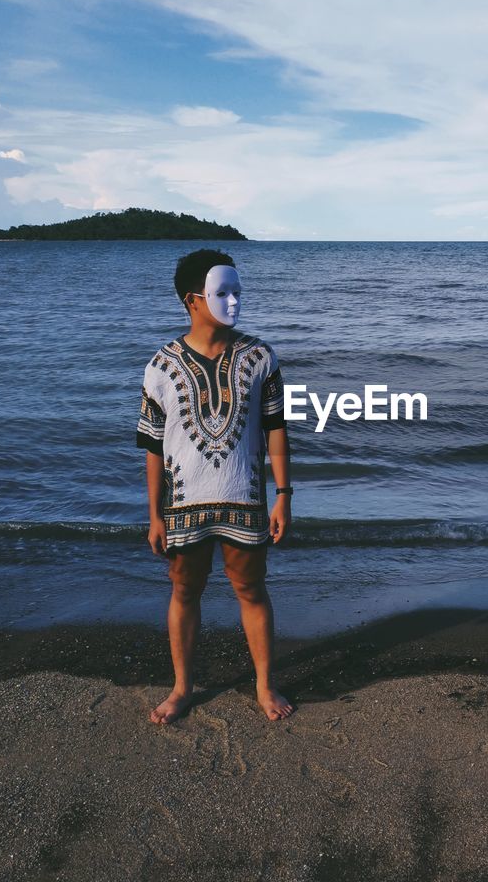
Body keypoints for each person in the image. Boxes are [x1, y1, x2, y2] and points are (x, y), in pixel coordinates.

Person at [135, 248, 295, 723]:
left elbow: (276, 430)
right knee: (184, 590)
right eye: (221, 293)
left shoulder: (260, 357)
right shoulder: (161, 366)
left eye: (238, 292)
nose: (234, 302)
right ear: (193, 300)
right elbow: (152, 446)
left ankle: (265, 685)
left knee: (251, 588)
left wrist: (284, 495)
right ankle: (182, 688)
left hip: (244, 497)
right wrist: (155, 514)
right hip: (184, 502)